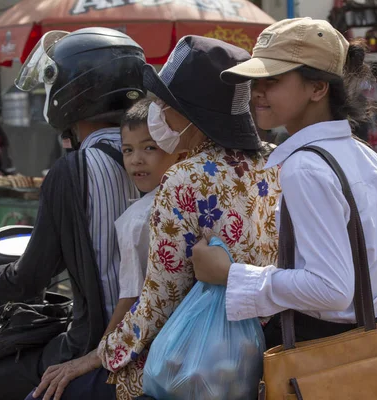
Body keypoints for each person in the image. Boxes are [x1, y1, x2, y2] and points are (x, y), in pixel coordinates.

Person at [191, 17, 377, 349]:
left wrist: (230, 274)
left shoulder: (305, 167)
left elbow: (331, 289)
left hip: (319, 345)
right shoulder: (363, 155)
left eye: (271, 80)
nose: (257, 92)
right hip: (368, 340)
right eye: (253, 81)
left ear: (318, 88)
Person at [97, 35, 281, 398]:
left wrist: (108, 352)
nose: (158, 114)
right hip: (258, 352)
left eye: (165, 105)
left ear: (192, 114)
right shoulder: (275, 161)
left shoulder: (185, 178)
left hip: (189, 361)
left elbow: (162, 296)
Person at [0, 28, 146, 400]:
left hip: (92, 347)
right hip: (149, 336)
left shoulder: (72, 170)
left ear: (72, 91)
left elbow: (27, 281)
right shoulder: (158, 154)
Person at [28, 98, 186, 400]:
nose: (136, 160)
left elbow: (130, 300)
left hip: (144, 360)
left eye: (150, 148)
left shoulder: (137, 220)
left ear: (178, 148)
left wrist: (92, 358)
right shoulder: (185, 201)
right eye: (128, 150)